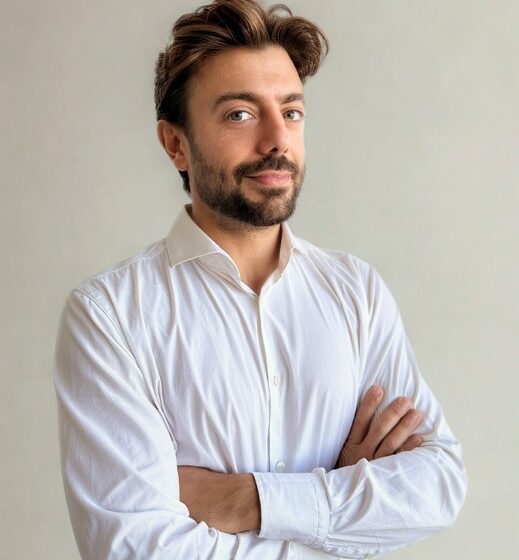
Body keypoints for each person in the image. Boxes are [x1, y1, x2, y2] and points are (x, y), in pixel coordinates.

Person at [54, 1, 467, 558]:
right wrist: (344, 509)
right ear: (175, 144)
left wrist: (246, 499)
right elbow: (136, 549)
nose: (277, 139)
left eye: (291, 112)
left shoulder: (356, 292)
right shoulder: (110, 315)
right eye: (240, 115)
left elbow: (437, 486)